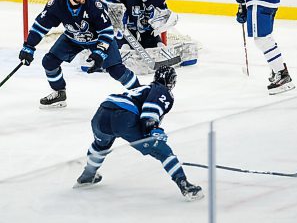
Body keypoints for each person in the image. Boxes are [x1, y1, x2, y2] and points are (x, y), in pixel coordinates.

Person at [74, 65, 204, 201]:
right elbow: (152, 107)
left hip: (101, 114)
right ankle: (185, 185)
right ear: (171, 81)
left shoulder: (141, 89)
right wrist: (152, 128)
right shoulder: (162, 90)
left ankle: (87, 175)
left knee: (100, 146)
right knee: (162, 151)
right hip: (123, 117)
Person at [18, 0, 141, 108]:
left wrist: (100, 52)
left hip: (97, 40)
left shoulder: (95, 5)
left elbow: (106, 32)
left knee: (115, 70)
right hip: (73, 38)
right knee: (49, 62)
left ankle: (140, 93)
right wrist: (28, 46)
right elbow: (39, 27)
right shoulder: (56, 5)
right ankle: (59, 93)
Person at [102, 0, 178, 49]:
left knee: (159, 16)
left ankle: (150, 39)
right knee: (118, 13)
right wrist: (116, 21)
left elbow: (162, 11)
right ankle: (120, 39)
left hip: (139, 17)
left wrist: (153, 22)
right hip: (123, 17)